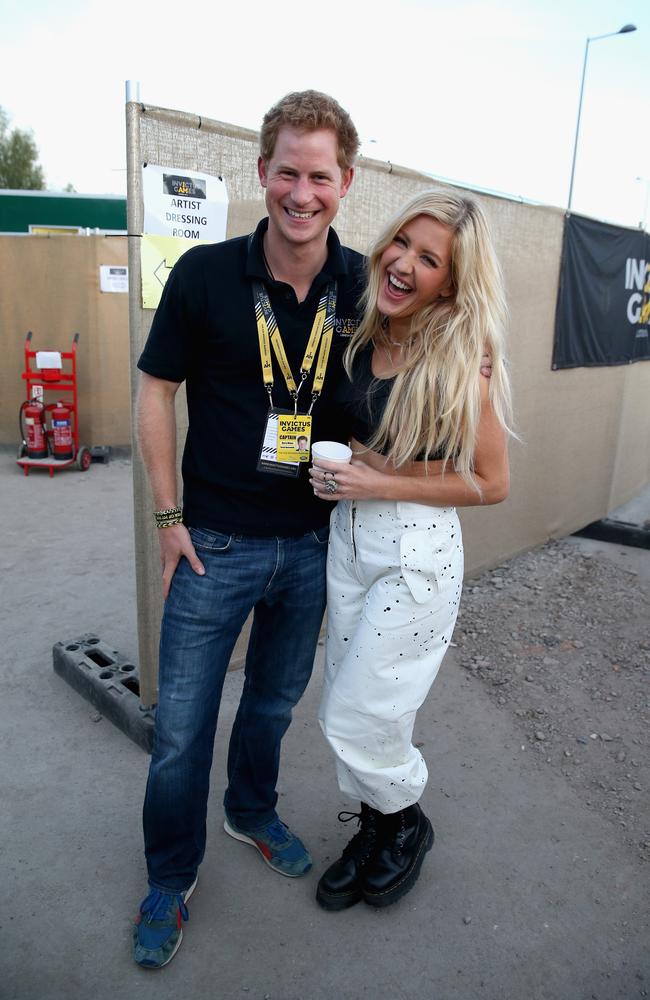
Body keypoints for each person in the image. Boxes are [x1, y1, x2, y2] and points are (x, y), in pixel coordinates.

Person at [132, 90, 365, 969]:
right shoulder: (203, 274)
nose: (301, 193)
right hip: (214, 543)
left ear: (345, 181)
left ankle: (251, 810)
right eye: (287, 173)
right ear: (261, 173)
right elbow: (156, 389)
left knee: (272, 702)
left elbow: (418, 365)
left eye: (320, 175)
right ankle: (169, 874)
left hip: (312, 545)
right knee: (183, 727)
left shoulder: (362, 286)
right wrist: (167, 518)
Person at [309, 188, 512, 912]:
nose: (402, 263)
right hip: (349, 537)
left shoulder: (465, 354)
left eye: (429, 259)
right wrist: (349, 467)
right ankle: (374, 825)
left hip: (415, 548)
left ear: (452, 283)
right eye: (402, 243)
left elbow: (491, 482)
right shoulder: (366, 329)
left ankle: (406, 822)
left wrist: (384, 475)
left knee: (352, 714)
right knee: (364, 702)